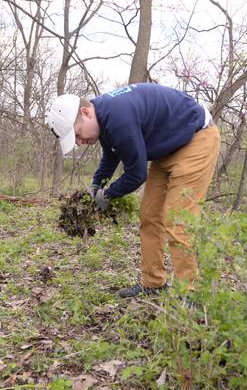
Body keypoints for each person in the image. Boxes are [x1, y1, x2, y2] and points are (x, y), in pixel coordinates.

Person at [45, 83, 220, 299]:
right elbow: (110, 157)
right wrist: (96, 186)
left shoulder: (118, 117)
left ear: (85, 112)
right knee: (149, 215)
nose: (80, 142)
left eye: (78, 134)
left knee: (177, 220)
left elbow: (136, 174)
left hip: (196, 140)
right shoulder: (105, 115)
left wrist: (107, 195)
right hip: (167, 150)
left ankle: (191, 294)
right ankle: (153, 283)